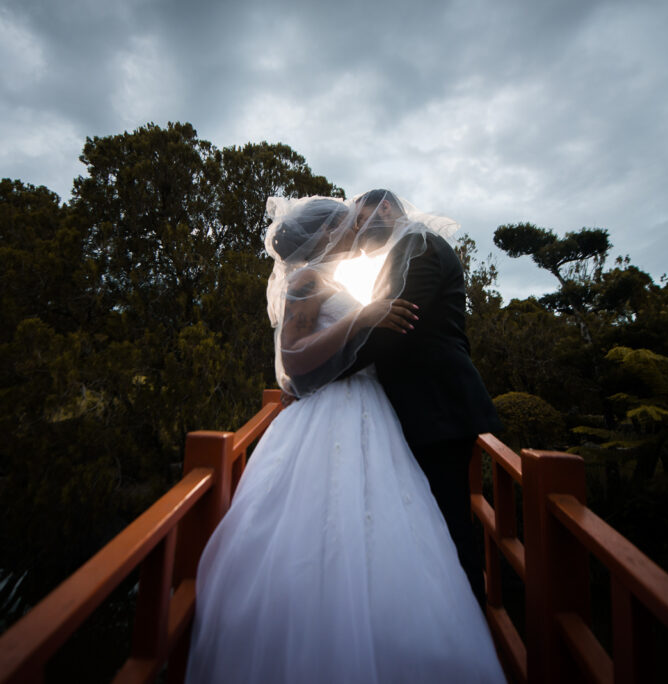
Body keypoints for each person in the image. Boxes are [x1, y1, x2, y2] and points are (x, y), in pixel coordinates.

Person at [184, 196, 505, 683]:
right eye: (348, 221)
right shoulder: (308, 279)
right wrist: (362, 318)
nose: (358, 227)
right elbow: (293, 359)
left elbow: (382, 334)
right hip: (344, 414)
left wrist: (364, 323)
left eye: (359, 218)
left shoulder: (391, 258)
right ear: (328, 233)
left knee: (406, 526)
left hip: (382, 415)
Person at [347, 189, 502, 607]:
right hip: (423, 412)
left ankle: (472, 634)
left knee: (450, 529)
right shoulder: (405, 249)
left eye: (361, 219)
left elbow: (394, 328)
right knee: (430, 527)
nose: (358, 230)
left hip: (438, 411)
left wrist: (325, 370)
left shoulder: (420, 248)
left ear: (386, 207)